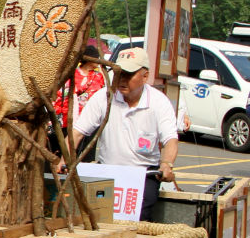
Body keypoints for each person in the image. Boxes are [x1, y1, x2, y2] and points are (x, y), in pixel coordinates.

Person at [71, 46, 178, 222]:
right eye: (118, 73)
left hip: (143, 175)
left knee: (140, 216)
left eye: (128, 75)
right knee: (91, 217)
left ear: (145, 76)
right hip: (107, 173)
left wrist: (166, 163)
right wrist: (65, 158)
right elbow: (78, 132)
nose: (121, 80)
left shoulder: (159, 102)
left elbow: (170, 140)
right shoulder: (103, 97)